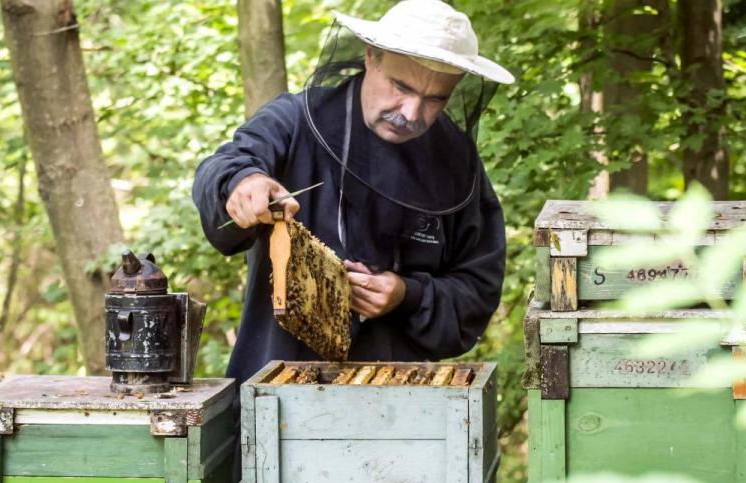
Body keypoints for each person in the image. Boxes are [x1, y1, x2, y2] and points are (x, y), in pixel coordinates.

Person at [193, 0, 514, 383]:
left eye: (434, 99)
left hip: (401, 403)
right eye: (401, 86)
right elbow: (225, 165)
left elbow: (477, 290)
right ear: (370, 58)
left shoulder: (457, 164)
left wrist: (406, 295)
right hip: (275, 387)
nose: (411, 113)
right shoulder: (294, 120)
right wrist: (243, 182)